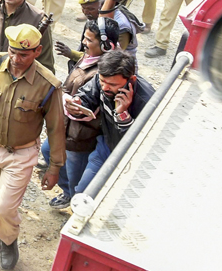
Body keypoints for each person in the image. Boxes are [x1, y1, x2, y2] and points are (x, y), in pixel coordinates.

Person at [0, 24, 63, 271]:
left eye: (24, 54)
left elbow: (56, 128)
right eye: (13, 51)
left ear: (38, 51)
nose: (16, 59)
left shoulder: (48, 84)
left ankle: (8, 241)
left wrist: (54, 167)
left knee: (3, 207)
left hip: (20, 154)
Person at [44, 17, 119, 208]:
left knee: (74, 172)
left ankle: (73, 196)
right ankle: (67, 191)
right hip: (65, 125)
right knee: (47, 151)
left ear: (106, 45)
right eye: (84, 38)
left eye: (89, 40)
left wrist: (63, 100)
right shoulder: (90, 57)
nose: (84, 43)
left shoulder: (106, 73)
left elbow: (89, 111)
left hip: (81, 134)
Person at [66, 51, 155, 193]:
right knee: (83, 192)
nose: (105, 87)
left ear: (131, 79)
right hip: (106, 147)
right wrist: (78, 103)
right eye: (102, 81)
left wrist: (123, 116)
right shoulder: (102, 80)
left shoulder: (148, 102)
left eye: (112, 84)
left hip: (129, 159)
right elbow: (88, 95)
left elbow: (144, 143)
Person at [66, 0, 137, 58]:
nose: (86, 12)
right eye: (83, 8)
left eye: (90, 9)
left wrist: (72, 54)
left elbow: (111, 58)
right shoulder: (95, 15)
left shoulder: (121, 26)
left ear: (103, 5)